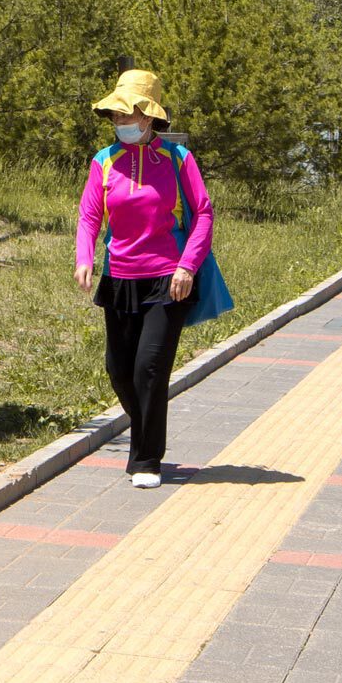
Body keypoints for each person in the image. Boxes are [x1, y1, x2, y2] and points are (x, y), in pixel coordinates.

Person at [74, 68, 213, 489]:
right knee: (119, 371)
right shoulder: (103, 160)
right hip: (119, 278)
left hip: (168, 281)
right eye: (116, 116)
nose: (121, 124)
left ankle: (146, 459)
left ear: (149, 119)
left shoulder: (178, 160)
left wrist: (188, 265)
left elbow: (203, 212)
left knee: (148, 370)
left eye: (128, 116)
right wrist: (85, 257)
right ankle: (148, 429)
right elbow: (89, 215)